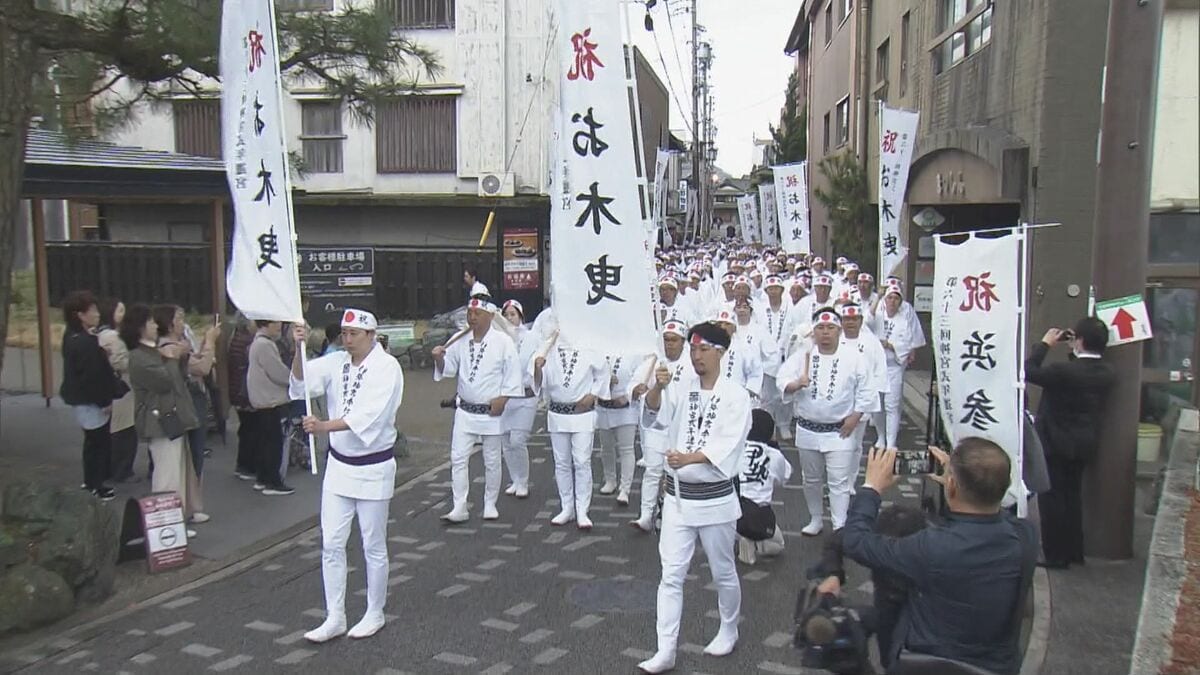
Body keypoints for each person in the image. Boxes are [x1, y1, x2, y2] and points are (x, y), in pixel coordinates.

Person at [843, 443, 1038, 674]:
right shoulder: (1025, 534)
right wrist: (965, 481)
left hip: (932, 664)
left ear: (952, 484)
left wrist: (871, 488)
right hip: (998, 665)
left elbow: (856, 541)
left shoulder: (929, 546)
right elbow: (993, 507)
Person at [636, 322, 752, 674]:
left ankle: (728, 627)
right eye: (693, 350)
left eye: (703, 350)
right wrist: (657, 385)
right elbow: (654, 415)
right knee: (671, 574)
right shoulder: (681, 389)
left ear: (719, 352)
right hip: (678, 499)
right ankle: (665, 648)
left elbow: (729, 442)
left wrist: (690, 457)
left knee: (722, 571)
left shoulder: (736, 395)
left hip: (715, 499)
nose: (696, 356)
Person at [291, 309, 405, 642]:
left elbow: (370, 415)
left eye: (354, 333)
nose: (347, 339)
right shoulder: (335, 361)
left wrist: (324, 426)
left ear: (371, 335)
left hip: (373, 467)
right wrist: (297, 350)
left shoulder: (387, 368)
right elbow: (301, 385)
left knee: (373, 544)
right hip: (339, 467)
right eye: (344, 333)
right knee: (331, 543)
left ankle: (375, 611)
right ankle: (335, 615)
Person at [1025, 317, 1116, 569]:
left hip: (1055, 441)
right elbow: (1081, 370)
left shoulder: (1062, 372)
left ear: (1081, 341)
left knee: (1052, 497)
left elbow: (1028, 370)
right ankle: (1075, 551)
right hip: (1085, 442)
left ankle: (1055, 555)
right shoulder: (1108, 372)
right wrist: (1075, 347)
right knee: (1073, 495)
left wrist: (1044, 344)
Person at [778, 307, 875, 535]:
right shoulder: (802, 356)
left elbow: (866, 390)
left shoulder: (854, 358)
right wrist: (796, 384)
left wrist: (856, 416)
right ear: (814, 331)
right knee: (811, 479)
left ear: (839, 330)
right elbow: (782, 380)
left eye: (830, 328)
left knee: (838, 481)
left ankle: (840, 524)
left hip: (840, 430)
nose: (825, 333)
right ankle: (815, 518)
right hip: (808, 429)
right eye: (820, 328)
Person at [431, 295, 522, 522]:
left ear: (490, 315)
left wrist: (504, 398)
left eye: (477, 314)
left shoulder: (503, 342)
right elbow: (448, 369)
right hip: (464, 411)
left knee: (492, 458)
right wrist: (439, 359)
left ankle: (490, 503)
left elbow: (513, 376)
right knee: (458, 458)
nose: (472, 318)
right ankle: (459, 506)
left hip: (490, 412)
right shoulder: (459, 339)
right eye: (470, 314)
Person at [123, 304, 205, 523]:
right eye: (149, 322)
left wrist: (178, 356)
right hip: (157, 419)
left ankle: (181, 513)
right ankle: (167, 521)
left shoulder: (151, 351)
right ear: (139, 327)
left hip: (172, 415)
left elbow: (177, 376)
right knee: (166, 472)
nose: (154, 325)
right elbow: (163, 381)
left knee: (179, 468)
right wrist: (171, 357)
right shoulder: (138, 356)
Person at [628, 321, 698, 532]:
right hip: (656, 426)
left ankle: (672, 514)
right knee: (652, 471)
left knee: (675, 473)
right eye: (665, 340)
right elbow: (633, 384)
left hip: (682, 429)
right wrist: (637, 389)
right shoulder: (653, 361)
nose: (669, 344)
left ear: (683, 342)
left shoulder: (693, 365)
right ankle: (645, 516)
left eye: (674, 340)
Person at [532, 336, 608, 529]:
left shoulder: (590, 344)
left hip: (582, 413)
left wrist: (592, 395)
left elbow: (603, 373)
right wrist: (538, 368)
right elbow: (538, 381)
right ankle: (567, 507)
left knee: (582, 461)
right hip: (558, 413)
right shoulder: (548, 344)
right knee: (562, 462)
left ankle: (582, 509)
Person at [60, 290, 118, 500]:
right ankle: (97, 484)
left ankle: (91, 481)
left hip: (80, 398)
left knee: (92, 441)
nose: (96, 314)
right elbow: (92, 376)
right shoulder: (85, 342)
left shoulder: (72, 337)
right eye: (91, 310)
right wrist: (104, 401)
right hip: (92, 400)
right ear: (80, 315)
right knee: (98, 442)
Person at [838, 302, 887, 490]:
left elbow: (879, 373)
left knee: (855, 445)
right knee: (837, 445)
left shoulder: (871, 342)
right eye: (846, 319)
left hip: (860, 402)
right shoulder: (835, 338)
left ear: (861, 320)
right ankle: (837, 481)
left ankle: (849, 482)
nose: (850, 323)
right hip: (837, 402)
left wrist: (870, 400)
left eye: (854, 319)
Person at [735, 409, 793, 565]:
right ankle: (751, 539)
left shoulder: (734, 448)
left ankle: (741, 537)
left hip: (727, 513)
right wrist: (774, 445)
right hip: (757, 516)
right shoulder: (774, 455)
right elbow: (784, 476)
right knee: (778, 545)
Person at [247, 320, 296, 496]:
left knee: (264, 441)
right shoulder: (265, 345)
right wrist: (294, 379)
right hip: (269, 399)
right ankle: (272, 482)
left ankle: (262, 478)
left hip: (262, 399)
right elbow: (277, 372)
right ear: (266, 324)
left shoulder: (258, 343)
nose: (279, 327)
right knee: (273, 443)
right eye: (276, 324)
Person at [871, 282, 921, 449]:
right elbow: (866, 322)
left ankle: (891, 442)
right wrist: (877, 296)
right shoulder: (878, 314)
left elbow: (908, 341)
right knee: (877, 404)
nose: (892, 301)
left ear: (900, 302)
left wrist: (892, 345)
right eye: (889, 298)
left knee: (892, 404)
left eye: (896, 298)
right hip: (877, 367)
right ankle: (881, 436)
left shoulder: (904, 317)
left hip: (894, 366)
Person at [499, 299, 538, 499]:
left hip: (525, 396)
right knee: (506, 440)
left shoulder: (531, 337)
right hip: (506, 398)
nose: (509, 318)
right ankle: (514, 479)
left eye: (513, 314)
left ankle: (523, 480)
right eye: (506, 315)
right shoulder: (498, 339)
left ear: (521, 316)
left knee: (517, 440)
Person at [96, 297, 138, 484]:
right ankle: (122, 471)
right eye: (120, 311)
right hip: (122, 388)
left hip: (116, 388)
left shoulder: (101, 334)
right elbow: (119, 362)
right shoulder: (112, 337)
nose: (124, 314)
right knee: (124, 430)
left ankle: (116, 469)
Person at [596, 352, 644, 505]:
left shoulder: (634, 354)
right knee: (606, 447)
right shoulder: (601, 352)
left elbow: (641, 380)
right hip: (604, 406)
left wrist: (628, 395)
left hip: (626, 408)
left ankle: (625, 488)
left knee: (626, 448)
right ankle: (610, 480)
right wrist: (605, 382)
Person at [226, 315, 257, 481]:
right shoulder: (248, 342)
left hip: (237, 390)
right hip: (245, 391)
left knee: (246, 428)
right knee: (250, 429)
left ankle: (244, 464)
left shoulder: (235, 338)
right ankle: (247, 465)